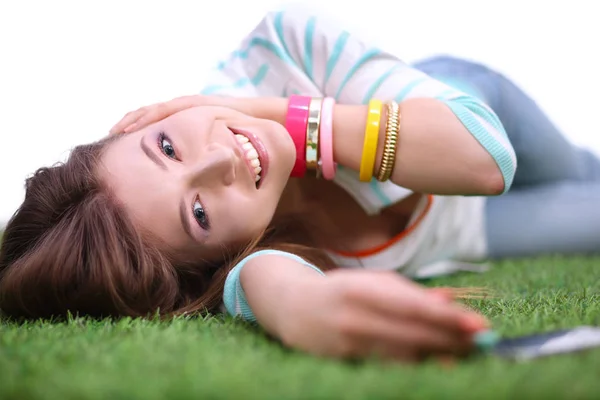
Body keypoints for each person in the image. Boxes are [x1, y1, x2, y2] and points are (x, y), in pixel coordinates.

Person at [1, 5, 599, 362]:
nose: (218, 161)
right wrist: (305, 305)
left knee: (578, 171)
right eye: (200, 214)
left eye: (166, 146)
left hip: (460, 105)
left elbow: (481, 153)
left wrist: (285, 118)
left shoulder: (283, 43)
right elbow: (275, 288)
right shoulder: (248, 260)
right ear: (212, 262)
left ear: (148, 116)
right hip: (466, 227)